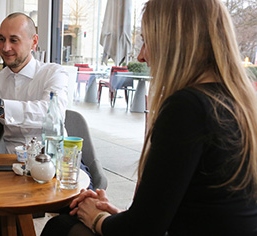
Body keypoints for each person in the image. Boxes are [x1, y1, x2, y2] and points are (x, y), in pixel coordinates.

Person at [41, 0, 257, 235]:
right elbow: (181, 210)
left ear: (174, 44)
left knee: (61, 226)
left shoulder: (188, 107)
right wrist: (116, 216)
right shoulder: (240, 103)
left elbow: (143, 230)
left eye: (146, 40)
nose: (141, 56)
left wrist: (97, 218)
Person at [0, 12, 68, 154]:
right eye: (2, 39)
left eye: (14, 40)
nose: (5, 48)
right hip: (12, 166)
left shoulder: (54, 73)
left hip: (56, 161)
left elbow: (51, 115)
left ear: (34, 42)